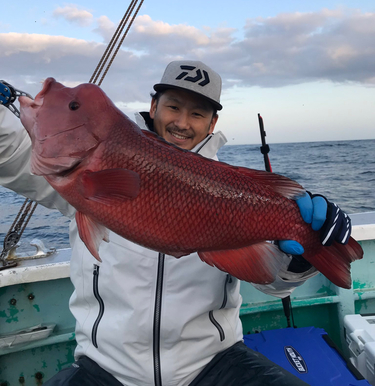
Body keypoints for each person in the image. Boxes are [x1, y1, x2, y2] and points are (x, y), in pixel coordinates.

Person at [0, 60, 351, 386]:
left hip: (215, 362)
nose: (182, 122)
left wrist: (302, 257)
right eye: (173, 107)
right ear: (153, 107)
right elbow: (9, 152)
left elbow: (274, 283)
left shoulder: (232, 186)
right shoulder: (71, 174)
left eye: (197, 113)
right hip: (105, 367)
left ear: (212, 124)